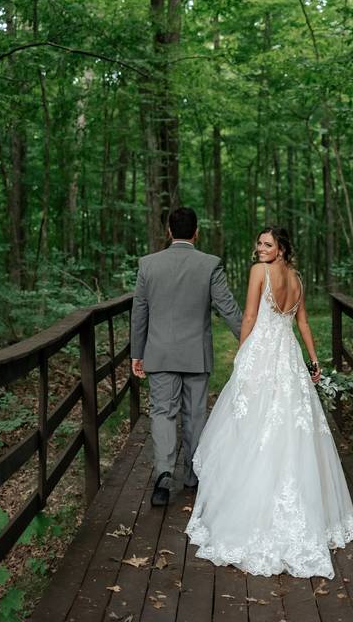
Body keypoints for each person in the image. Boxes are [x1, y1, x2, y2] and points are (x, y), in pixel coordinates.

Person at [184, 226, 353, 579]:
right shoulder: (296, 279)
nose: (259, 248)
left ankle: (252, 513)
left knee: (253, 427)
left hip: (263, 356)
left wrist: (242, 355)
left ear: (280, 249)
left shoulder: (258, 273)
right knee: (289, 429)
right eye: (258, 242)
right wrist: (312, 360)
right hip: (289, 358)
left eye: (266, 244)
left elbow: (249, 316)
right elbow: (303, 323)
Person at [131, 207, 243, 507]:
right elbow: (227, 308)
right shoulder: (209, 265)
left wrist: (136, 353)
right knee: (195, 414)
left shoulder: (148, 265)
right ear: (197, 232)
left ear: (169, 231)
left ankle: (164, 475)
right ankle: (192, 475)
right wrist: (249, 340)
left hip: (160, 352)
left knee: (163, 412)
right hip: (196, 354)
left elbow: (139, 312)